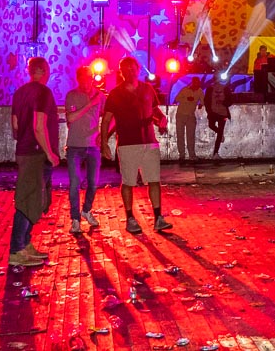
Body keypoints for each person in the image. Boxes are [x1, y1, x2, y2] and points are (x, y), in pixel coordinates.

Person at [101, 57, 172, 233]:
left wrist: (162, 119)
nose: (130, 72)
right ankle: (130, 218)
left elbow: (154, 110)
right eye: (126, 69)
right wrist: (104, 142)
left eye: (132, 68)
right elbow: (107, 120)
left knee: (154, 180)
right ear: (121, 72)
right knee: (128, 182)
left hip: (149, 141)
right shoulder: (115, 94)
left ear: (138, 69)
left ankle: (158, 218)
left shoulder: (147, 89)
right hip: (127, 143)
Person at [9, 56, 60, 266]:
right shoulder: (43, 92)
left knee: (33, 199)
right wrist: (49, 152)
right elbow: (39, 126)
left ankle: (25, 243)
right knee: (28, 200)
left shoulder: (20, 92)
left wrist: (24, 139)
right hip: (36, 154)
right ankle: (16, 250)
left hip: (24, 150)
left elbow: (15, 125)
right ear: (44, 70)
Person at [64, 66, 104, 234]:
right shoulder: (72, 95)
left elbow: (106, 116)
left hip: (93, 144)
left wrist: (103, 134)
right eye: (83, 77)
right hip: (75, 145)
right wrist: (90, 104)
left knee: (93, 183)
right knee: (74, 183)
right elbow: (71, 117)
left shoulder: (100, 95)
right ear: (78, 78)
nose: (87, 81)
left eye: (89, 77)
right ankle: (75, 219)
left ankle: (86, 210)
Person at [173, 76, 204, 162]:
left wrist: (201, 104)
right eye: (195, 83)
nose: (197, 84)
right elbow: (177, 98)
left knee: (191, 136)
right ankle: (182, 155)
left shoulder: (200, 91)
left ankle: (192, 155)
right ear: (192, 83)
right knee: (180, 135)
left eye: (198, 83)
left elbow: (203, 101)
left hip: (190, 115)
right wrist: (187, 99)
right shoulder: (185, 89)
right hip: (180, 115)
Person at [204, 75, 232, 158]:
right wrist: (208, 111)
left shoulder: (225, 88)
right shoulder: (210, 89)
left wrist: (223, 102)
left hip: (223, 114)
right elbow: (206, 101)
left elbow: (231, 100)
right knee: (211, 125)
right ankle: (220, 133)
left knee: (219, 132)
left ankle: (215, 153)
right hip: (213, 112)